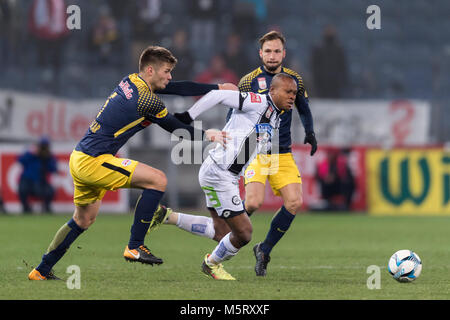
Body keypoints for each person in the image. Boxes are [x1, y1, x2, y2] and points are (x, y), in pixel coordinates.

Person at [27, 46, 230, 280]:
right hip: (94, 161)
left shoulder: (131, 81)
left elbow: (176, 87)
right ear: (151, 70)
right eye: (167, 71)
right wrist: (208, 134)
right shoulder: (147, 101)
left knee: (83, 220)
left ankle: (40, 270)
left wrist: (216, 88)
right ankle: (135, 246)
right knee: (157, 180)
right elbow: (178, 129)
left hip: (81, 157)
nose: (170, 76)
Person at [169, 73, 298, 280]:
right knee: (245, 233)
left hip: (219, 172)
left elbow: (249, 145)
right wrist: (188, 116)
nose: (292, 97)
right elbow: (216, 95)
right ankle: (211, 264)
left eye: (294, 93)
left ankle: (167, 216)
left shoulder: (276, 115)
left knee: (221, 232)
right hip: (220, 174)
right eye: (287, 92)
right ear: (272, 91)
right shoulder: (257, 101)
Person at [231, 30, 317, 276]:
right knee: (254, 202)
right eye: (267, 51)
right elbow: (233, 114)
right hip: (255, 151)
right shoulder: (248, 81)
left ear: (283, 53)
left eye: (276, 51)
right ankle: (225, 237)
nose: (272, 55)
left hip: (283, 153)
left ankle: (264, 250)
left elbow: (304, 109)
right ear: (260, 53)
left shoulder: (294, 80)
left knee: (294, 202)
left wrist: (310, 132)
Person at [17, 137, 57, 214]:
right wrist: (31, 153)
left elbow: (53, 169)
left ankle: (47, 207)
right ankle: (26, 208)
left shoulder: (48, 157)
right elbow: (20, 160)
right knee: (22, 189)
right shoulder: (31, 156)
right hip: (27, 181)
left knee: (50, 191)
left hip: (40, 182)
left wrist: (47, 157)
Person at [310, 25, 349, 98]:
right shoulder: (318, 49)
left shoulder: (339, 49)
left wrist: (343, 81)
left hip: (336, 84)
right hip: (321, 83)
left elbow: (343, 67)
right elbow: (314, 66)